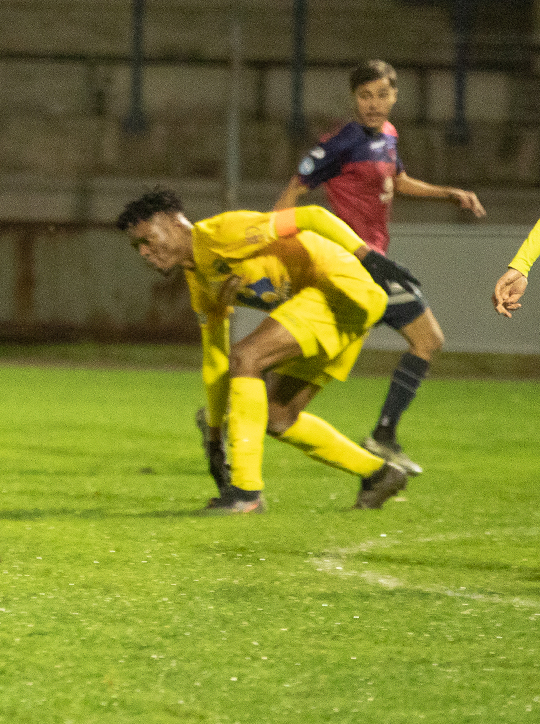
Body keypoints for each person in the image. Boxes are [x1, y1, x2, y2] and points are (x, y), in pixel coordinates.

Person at [118, 188, 411, 515]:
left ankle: (245, 495)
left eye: (146, 240)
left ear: (173, 222)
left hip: (341, 288)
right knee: (277, 416)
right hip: (336, 308)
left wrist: (367, 256)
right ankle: (379, 474)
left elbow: (311, 215)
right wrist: (215, 436)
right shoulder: (199, 281)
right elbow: (215, 360)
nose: (143, 253)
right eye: (136, 247)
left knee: (247, 358)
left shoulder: (223, 233)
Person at [273, 58, 484, 474]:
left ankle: (234, 416)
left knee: (300, 384)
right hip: (349, 265)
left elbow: (397, 181)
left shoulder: (388, 135)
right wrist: (282, 256)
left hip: (374, 264)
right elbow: (289, 196)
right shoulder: (339, 143)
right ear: (354, 99)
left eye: (381, 94)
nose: (373, 103)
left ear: (395, 95)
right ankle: (381, 437)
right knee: (426, 340)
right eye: (364, 95)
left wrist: (449, 193)